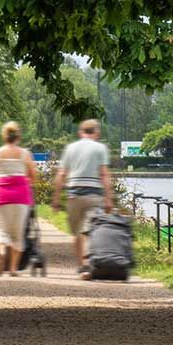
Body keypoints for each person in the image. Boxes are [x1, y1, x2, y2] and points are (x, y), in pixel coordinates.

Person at [54, 119, 114, 277]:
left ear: (81, 132)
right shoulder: (100, 148)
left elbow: (61, 174)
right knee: (91, 230)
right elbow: (104, 174)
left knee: (77, 233)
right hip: (94, 194)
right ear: (96, 132)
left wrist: (55, 199)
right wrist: (109, 199)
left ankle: (82, 265)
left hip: (73, 195)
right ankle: (88, 265)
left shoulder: (70, 148)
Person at [0, 123, 35, 276]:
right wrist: (29, 182)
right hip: (20, 194)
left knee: (0, 228)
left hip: (2, 193)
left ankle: (1, 251)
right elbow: (33, 174)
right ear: (18, 136)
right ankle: (13, 269)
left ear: (4, 136)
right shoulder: (24, 154)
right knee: (17, 232)